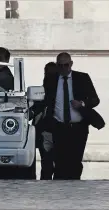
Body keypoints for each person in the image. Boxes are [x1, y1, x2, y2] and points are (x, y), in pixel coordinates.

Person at [39, 52, 100, 180]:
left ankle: (74, 190)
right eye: (60, 66)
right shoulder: (51, 80)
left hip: (79, 128)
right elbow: (44, 101)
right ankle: (61, 192)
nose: (63, 69)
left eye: (66, 65)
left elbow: (95, 100)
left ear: (71, 64)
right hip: (59, 127)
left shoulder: (82, 78)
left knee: (75, 162)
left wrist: (82, 103)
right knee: (60, 162)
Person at [32, 62, 58, 180]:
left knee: (53, 164)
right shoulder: (41, 92)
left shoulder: (61, 91)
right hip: (46, 131)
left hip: (57, 130)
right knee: (47, 164)